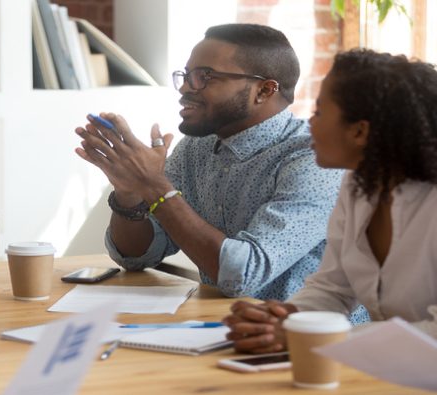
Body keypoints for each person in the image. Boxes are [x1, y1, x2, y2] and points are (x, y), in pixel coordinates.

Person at [75, 23, 343, 302]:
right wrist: (129, 196)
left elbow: (244, 275)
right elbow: (137, 256)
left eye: (205, 76)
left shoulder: (315, 159)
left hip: (312, 338)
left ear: (263, 90)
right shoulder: (195, 148)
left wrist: (154, 186)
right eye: (186, 75)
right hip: (221, 327)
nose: (185, 89)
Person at [223, 48, 437, 353]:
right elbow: (332, 290)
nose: (310, 122)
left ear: (360, 131)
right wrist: (281, 321)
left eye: (320, 111)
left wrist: (311, 337)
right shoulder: (358, 184)